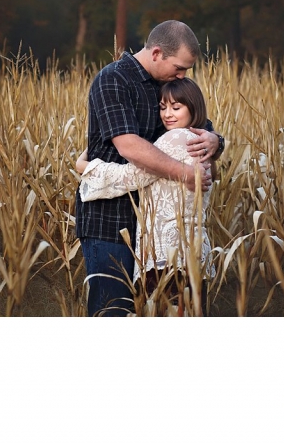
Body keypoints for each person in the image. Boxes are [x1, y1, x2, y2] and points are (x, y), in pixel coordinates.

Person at [74, 20, 224, 316]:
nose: (182, 75)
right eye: (179, 68)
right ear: (156, 53)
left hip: (153, 230)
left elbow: (197, 133)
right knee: (113, 312)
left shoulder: (167, 87)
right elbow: (129, 147)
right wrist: (184, 172)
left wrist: (216, 141)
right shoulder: (114, 79)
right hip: (110, 220)